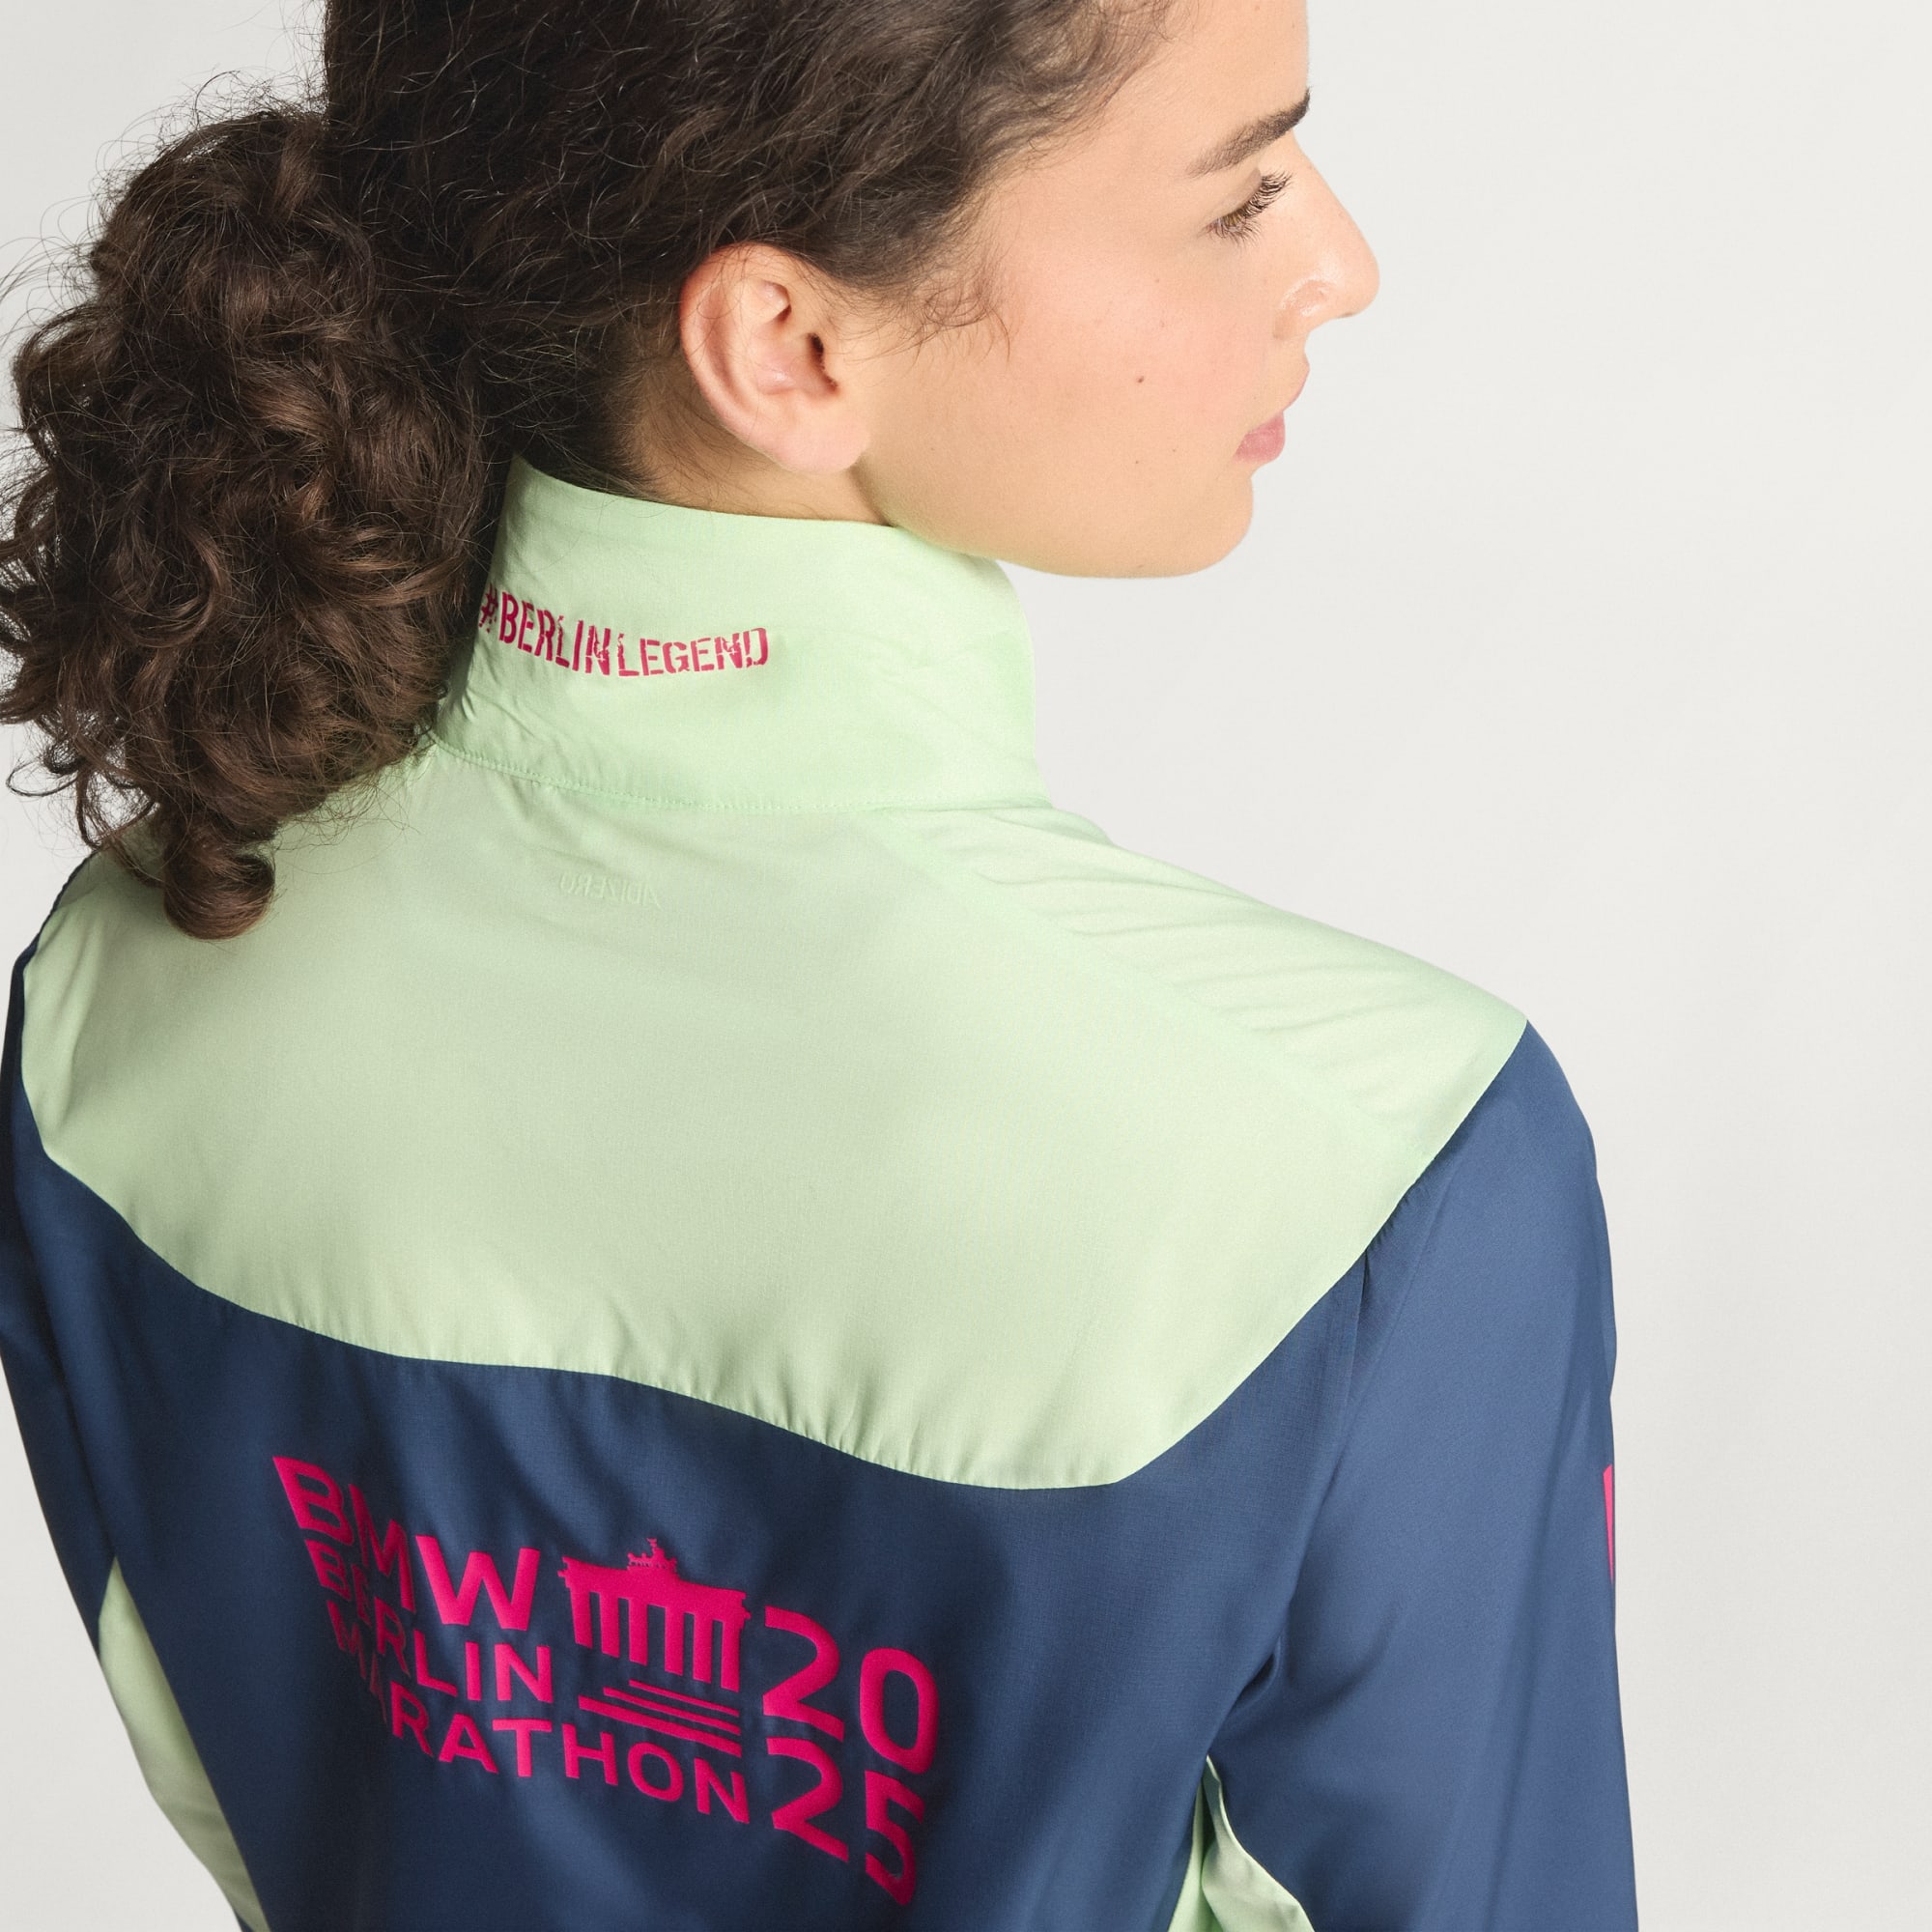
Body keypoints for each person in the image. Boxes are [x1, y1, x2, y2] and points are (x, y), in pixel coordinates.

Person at [0, 1, 1638, 1927]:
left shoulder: (113, 998)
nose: (1338, 264)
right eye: (1237, 192)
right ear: (787, 345)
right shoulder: (1387, 1167)